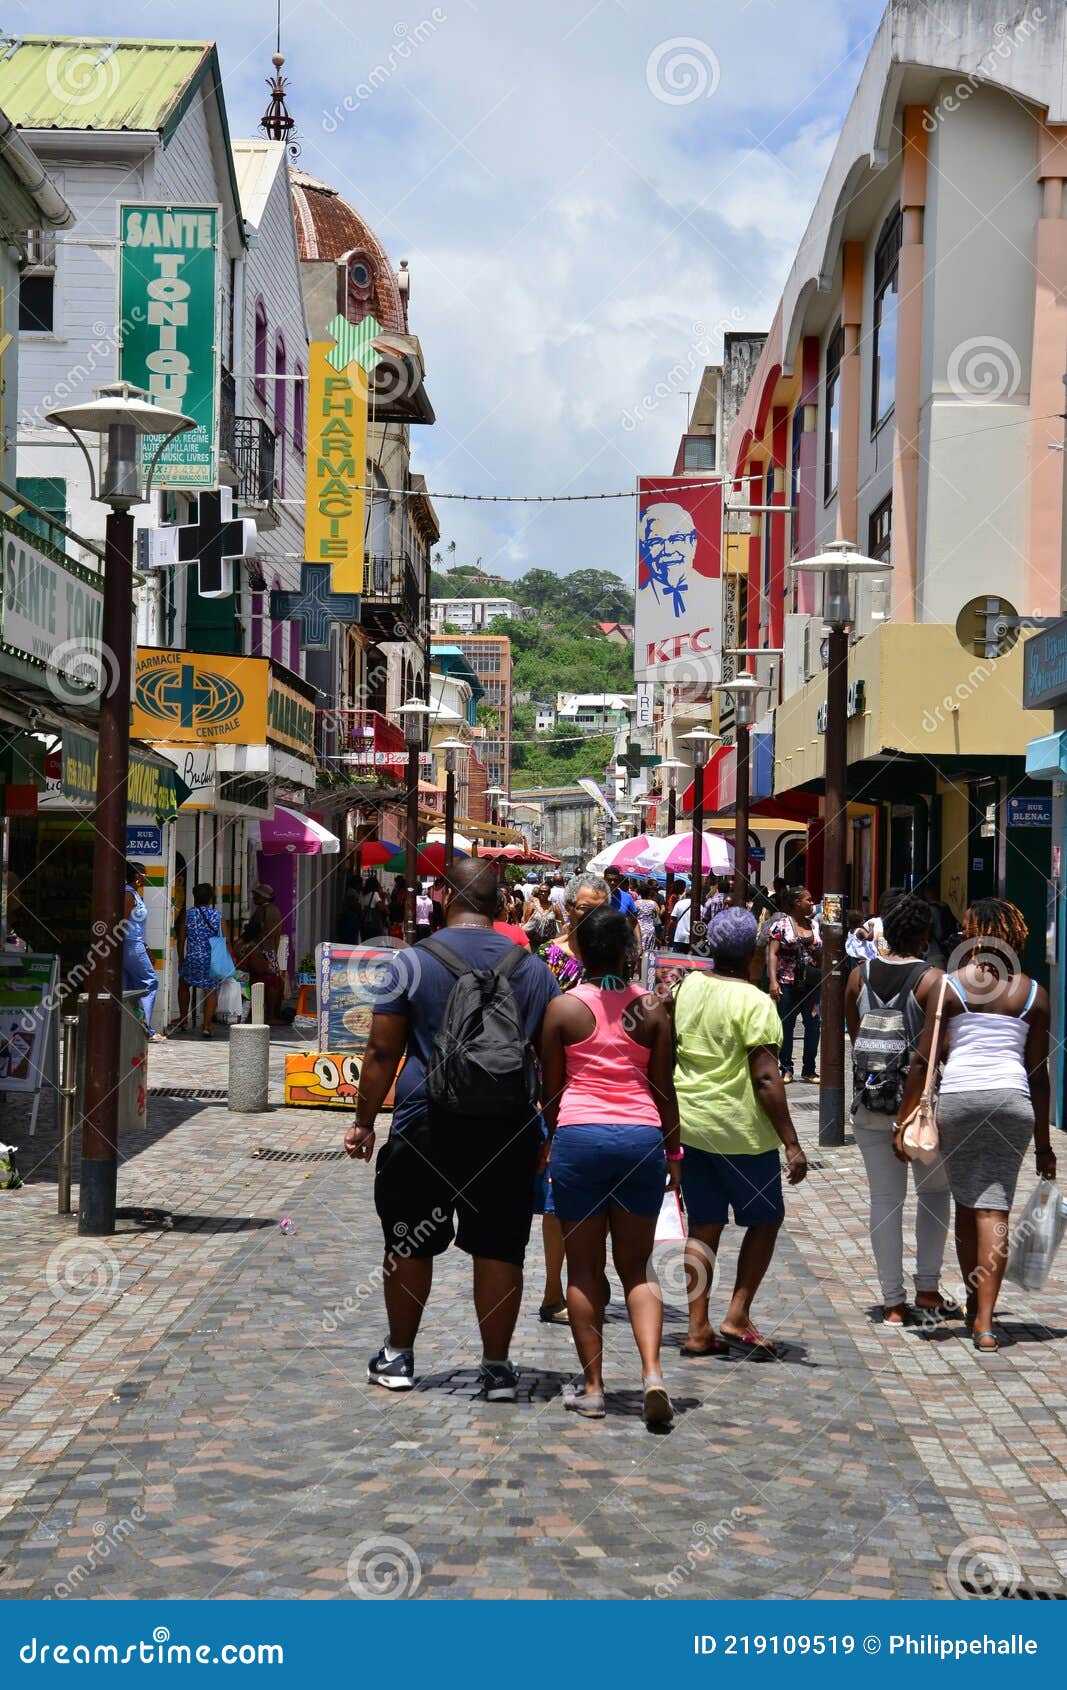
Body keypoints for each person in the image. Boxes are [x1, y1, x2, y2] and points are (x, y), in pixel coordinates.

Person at [345, 859, 561, 1399]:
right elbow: (552, 1063)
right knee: (500, 1248)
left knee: (410, 1242)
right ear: (500, 903)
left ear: (445, 897)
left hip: (424, 1123)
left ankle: (397, 1357)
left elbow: (381, 1050)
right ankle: (496, 1367)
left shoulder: (411, 963)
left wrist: (363, 1122)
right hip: (508, 1129)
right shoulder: (534, 971)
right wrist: (551, 1133)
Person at [540, 906, 681, 1424]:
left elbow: (550, 1091)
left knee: (583, 1269)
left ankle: (594, 1387)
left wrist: (551, 1142)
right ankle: (652, 1375)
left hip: (579, 1136)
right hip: (642, 1137)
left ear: (578, 949)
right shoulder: (652, 1010)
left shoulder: (562, 1011)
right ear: (628, 950)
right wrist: (674, 1152)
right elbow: (665, 1090)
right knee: (638, 1267)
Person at [895, 899, 1055, 1353]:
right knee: (995, 1207)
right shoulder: (1033, 993)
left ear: (972, 935)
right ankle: (984, 1321)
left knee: (967, 1205)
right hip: (1012, 1102)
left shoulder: (950, 987)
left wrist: (906, 1116)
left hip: (960, 1100)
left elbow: (926, 1058)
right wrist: (1044, 1145)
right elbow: (1038, 1075)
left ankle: (972, 1301)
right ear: (1014, 937)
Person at [673, 907, 808, 1359]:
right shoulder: (756, 1003)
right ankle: (736, 1314)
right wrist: (791, 1142)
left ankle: (697, 1327)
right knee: (766, 1220)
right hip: (740, 1133)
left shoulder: (687, 986)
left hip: (692, 1127)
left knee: (704, 1225)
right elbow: (766, 1077)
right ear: (753, 950)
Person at [845, 892, 957, 1326]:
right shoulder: (934, 981)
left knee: (885, 1200)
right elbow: (930, 1053)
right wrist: (908, 1114)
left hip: (871, 1101)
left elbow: (856, 1038)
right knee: (934, 1193)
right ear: (925, 935)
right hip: (923, 1109)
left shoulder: (859, 975)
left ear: (885, 932)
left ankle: (892, 1302)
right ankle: (927, 1288)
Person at [534, 871, 611, 1321]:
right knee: (554, 1197)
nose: (593, 915)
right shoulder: (549, 957)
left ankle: (588, 1281)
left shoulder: (621, 955)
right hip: (558, 1084)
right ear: (568, 908)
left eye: (602, 907)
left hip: (606, 1083)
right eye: (585, 907)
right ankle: (552, 1290)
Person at [767, 885, 822, 1082]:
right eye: (808, 900)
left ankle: (809, 1068)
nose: (812, 903)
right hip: (786, 981)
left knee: (813, 1024)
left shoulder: (814, 926)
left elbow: (818, 953)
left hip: (811, 984)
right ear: (797, 903)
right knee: (786, 1024)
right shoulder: (781, 925)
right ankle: (786, 1068)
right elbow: (773, 954)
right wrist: (773, 981)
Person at [174, 882, 223, 1039]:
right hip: (210, 960)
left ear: (194, 897)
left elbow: (181, 940)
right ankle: (207, 1027)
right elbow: (224, 940)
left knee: (183, 985)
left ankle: (183, 1019)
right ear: (210, 899)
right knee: (210, 991)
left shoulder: (188, 915)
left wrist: (181, 959)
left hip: (193, 957)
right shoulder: (217, 916)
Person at [123, 862, 163, 1041]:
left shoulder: (134, 894)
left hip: (134, 944)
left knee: (130, 986)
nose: (147, 877)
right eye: (145, 873)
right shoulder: (128, 894)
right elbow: (123, 923)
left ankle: (132, 1026)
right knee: (150, 982)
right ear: (137, 876)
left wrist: (146, 948)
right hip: (130, 945)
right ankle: (145, 1028)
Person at [239, 884, 284, 1024]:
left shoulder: (261, 910)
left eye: (256, 895)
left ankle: (268, 1015)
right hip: (270, 950)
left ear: (264, 897)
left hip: (260, 950)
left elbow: (254, 931)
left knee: (264, 980)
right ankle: (270, 1014)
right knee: (273, 981)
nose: (254, 898)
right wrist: (274, 953)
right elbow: (277, 935)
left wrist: (243, 940)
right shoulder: (275, 910)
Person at [918, 878, 961, 969]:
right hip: (946, 951)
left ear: (927, 893)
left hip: (934, 952)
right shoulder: (945, 907)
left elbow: (928, 931)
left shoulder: (930, 909)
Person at [631, 878, 662, 987]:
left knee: (639, 954)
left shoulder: (635, 903)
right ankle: (648, 976)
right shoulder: (653, 903)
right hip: (650, 930)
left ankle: (640, 977)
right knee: (649, 954)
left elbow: (632, 916)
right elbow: (659, 915)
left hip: (639, 930)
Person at [523, 884, 559, 948]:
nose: (543, 893)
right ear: (538, 892)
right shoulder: (532, 906)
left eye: (545, 892)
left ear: (549, 893)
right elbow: (525, 922)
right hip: (533, 942)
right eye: (541, 891)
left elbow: (561, 923)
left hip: (549, 943)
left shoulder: (554, 906)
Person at [360, 874, 386, 940]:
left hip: (364, 922)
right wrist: (383, 898)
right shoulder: (375, 894)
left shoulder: (363, 894)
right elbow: (381, 908)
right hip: (373, 923)